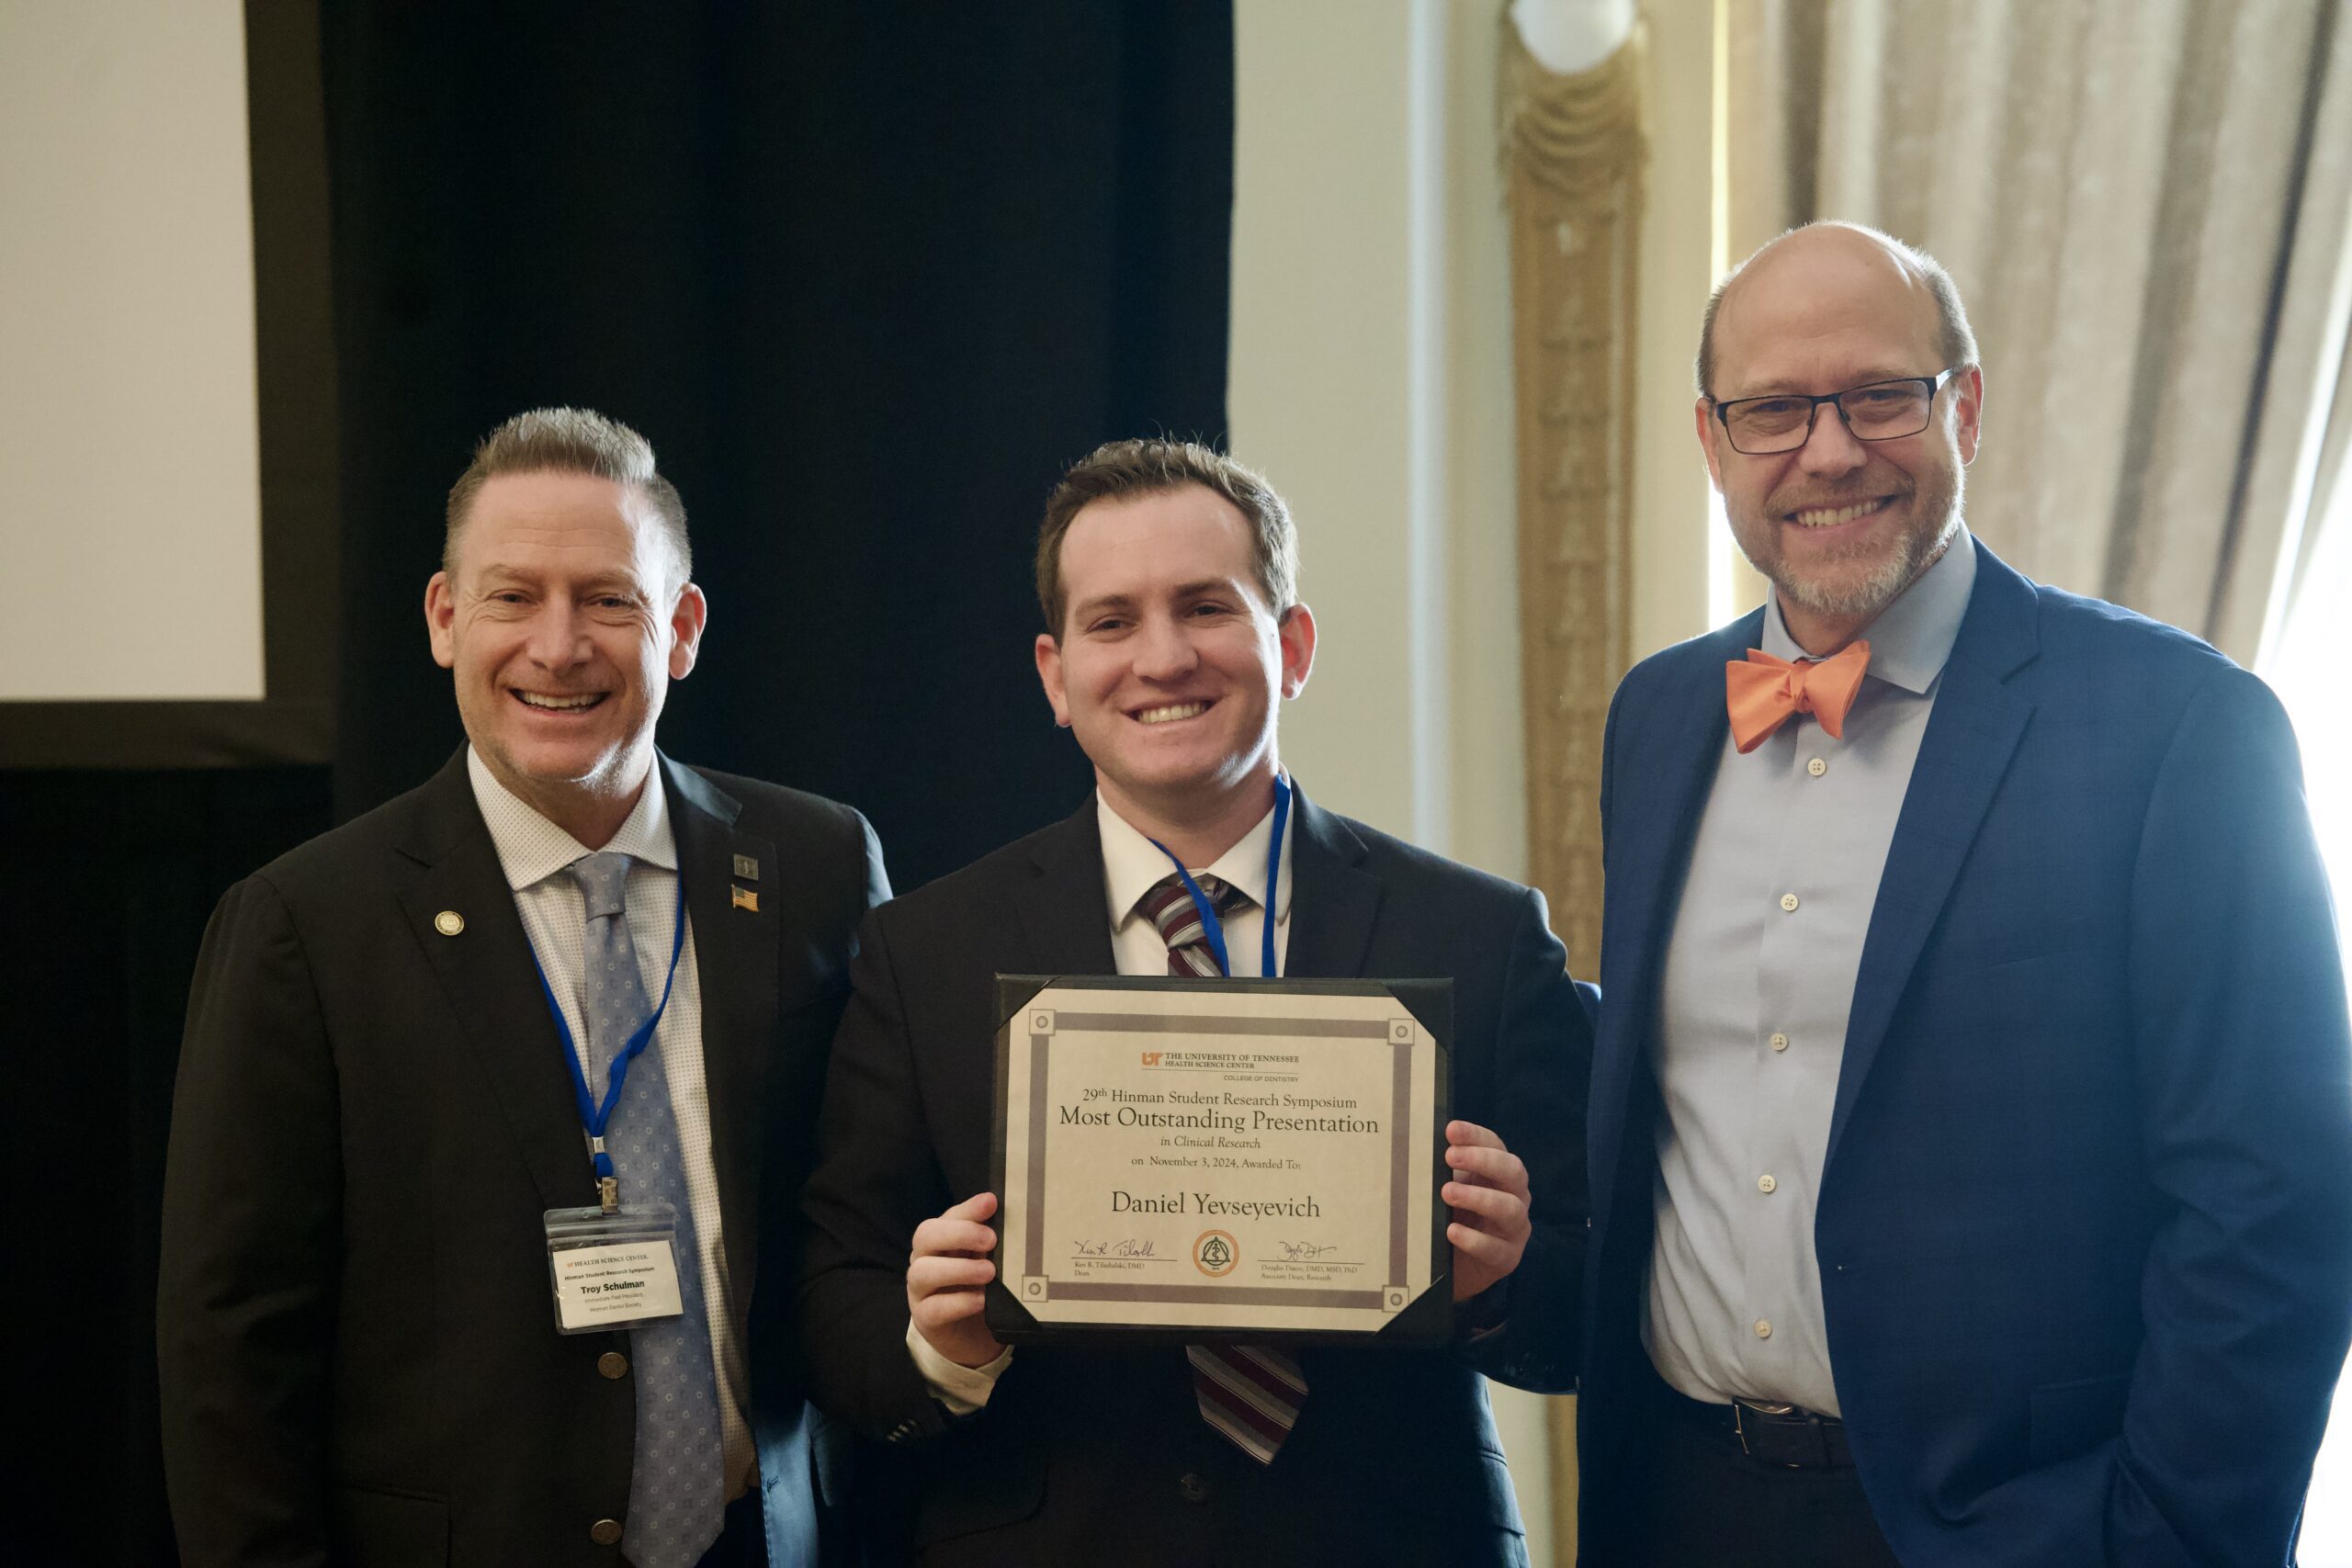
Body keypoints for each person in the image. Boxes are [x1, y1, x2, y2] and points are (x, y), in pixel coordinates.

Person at [1577, 220, 2352, 1566]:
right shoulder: (1657, 714)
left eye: (1881, 395)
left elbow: (2273, 1204)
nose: (1829, 451)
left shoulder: (2181, 725)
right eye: (1773, 410)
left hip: (2025, 1532)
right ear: (1711, 441)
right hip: (1680, 1506)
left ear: (1966, 409)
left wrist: (2163, 1542)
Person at [797, 439, 1591, 1566]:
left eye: (1206, 607)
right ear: (1055, 674)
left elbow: (1593, 1310)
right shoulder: (924, 952)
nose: (1162, 658)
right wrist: (940, 1345)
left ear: (1293, 645)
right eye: (1112, 621)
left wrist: (1499, 1284)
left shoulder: (1482, 935)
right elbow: (838, 1298)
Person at [157, 408, 888, 1567]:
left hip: (772, 1541)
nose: (558, 647)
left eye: (608, 599)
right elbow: (233, 1345)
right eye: (512, 597)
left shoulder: (818, 866)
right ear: (445, 618)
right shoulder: (307, 923)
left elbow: (870, 1218)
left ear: (680, 629)